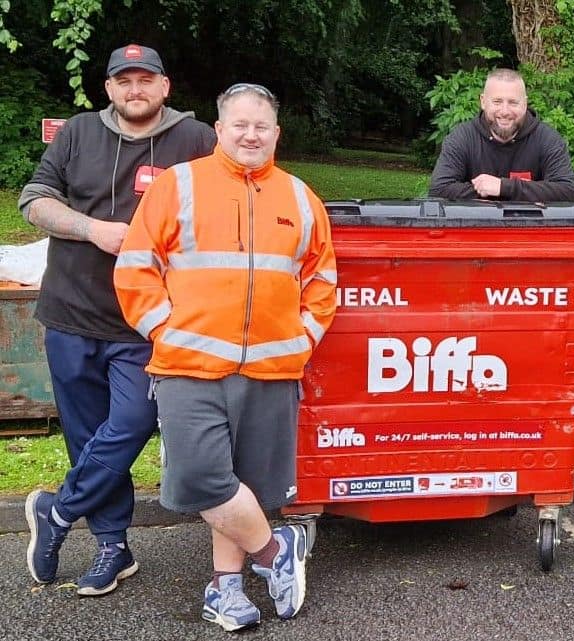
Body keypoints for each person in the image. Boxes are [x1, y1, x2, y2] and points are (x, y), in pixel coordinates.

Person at [114, 82, 337, 631]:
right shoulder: (178, 185)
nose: (250, 135)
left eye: (261, 126)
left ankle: (227, 590)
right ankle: (276, 551)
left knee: (246, 485)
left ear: (276, 134)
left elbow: (322, 280)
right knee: (200, 478)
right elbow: (136, 268)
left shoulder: (301, 197)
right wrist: (165, 331)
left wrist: (302, 340)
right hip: (187, 367)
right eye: (240, 124)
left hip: (272, 368)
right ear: (219, 129)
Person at [20, 43, 216, 596]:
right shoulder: (78, 132)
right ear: (109, 88)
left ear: (164, 86)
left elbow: (227, 200)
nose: (135, 89)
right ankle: (113, 546)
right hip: (71, 313)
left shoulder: (196, 140)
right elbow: (34, 200)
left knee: (132, 424)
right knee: (87, 437)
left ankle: (57, 510)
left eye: (145, 79)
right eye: (124, 80)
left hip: (149, 321)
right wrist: (92, 229)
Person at [428, 68, 574, 202]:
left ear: (525, 104)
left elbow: (567, 191)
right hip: (477, 223)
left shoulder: (547, 139)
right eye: (497, 101)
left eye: (513, 102)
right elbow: (439, 189)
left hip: (528, 224)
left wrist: (503, 187)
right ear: (483, 102)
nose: (505, 111)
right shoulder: (462, 137)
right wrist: (487, 191)